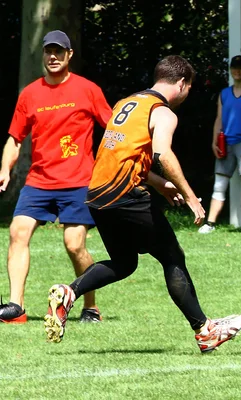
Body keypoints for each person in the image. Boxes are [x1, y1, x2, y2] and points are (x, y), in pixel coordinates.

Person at [43, 55, 241, 353]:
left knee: (124, 263)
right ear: (181, 83)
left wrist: (159, 184)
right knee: (172, 257)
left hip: (97, 194)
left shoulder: (126, 103)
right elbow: (163, 154)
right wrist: (190, 196)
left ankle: (69, 293)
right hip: (124, 194)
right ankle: (205, 331)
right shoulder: (162, 112)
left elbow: (127, 154)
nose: (187, 94)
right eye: (189, 87)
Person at [0, 30, 111, 324]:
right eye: (48, 51)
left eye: (58, 51)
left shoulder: (88, 90)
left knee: (74, 244)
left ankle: (90, 306)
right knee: (17, 232)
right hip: (39, 181)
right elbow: (15, 138)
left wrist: (115, 167)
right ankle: (16, 307)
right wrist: (4, 169)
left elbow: (112, 130)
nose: (52, 56)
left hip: (78, 181)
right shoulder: (30, 93)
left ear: (69, 55)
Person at [198, 55, 241, 234]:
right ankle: (209, 224)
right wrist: (214, 142)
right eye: (234, 68)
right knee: (219, 185)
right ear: (231, 70)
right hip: (225, 143)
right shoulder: (224, 94)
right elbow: (219, 118)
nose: (237, 71)